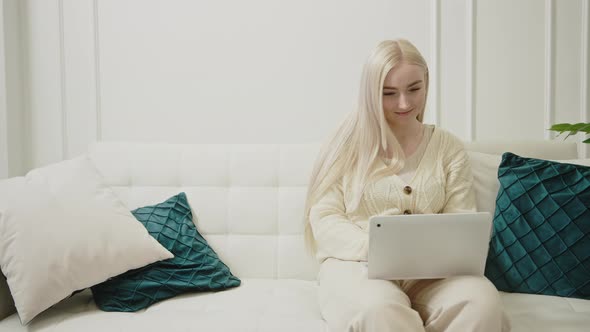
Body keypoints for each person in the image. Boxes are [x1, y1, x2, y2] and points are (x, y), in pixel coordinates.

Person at [303, 39, 510, 332]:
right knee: (381, 310)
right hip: (355, 269)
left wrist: (426, 252)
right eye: (389, 93)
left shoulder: (447, 147)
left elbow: (461, 218)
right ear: (370, 93)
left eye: (414, 89)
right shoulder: (345, 146)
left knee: (481, 303)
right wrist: (376, 248)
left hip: (433, 273)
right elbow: (325, 221)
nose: (404, 103)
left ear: (426, 82)